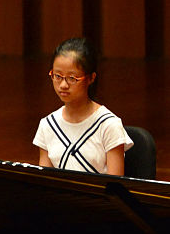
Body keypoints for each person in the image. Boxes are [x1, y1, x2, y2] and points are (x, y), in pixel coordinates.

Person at [33, 37, 132, 176]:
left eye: (72, 78)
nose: (63, 85)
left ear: (91, 78)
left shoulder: (109, 125)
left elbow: (114, 185)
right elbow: (45, 183)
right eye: (57, 76)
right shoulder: (48, 125)